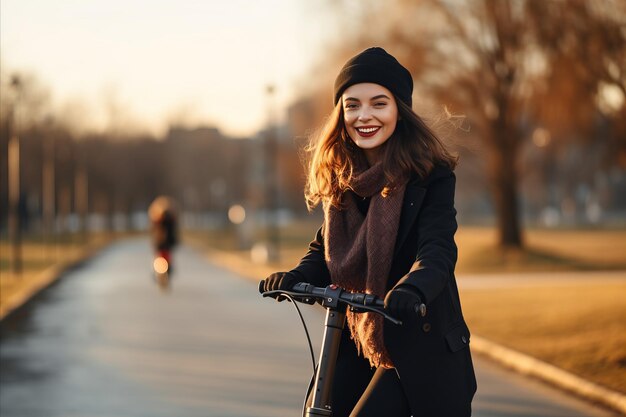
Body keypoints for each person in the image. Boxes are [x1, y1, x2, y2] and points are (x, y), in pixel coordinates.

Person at [262, 47, 477, 416]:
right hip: (357, 339)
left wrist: (412, 287)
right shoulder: (343, 178)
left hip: (415, 345)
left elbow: (437, 249)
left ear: (399, 110)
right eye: (352, 105)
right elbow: (325, 248)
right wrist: (295, 277)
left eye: (379, 103)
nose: (364, 116)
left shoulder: (430, 175)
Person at [148, 196, 178, 266]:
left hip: (165, 243)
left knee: (165, 256)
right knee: (158, 256)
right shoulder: (157, 220)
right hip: (160, 243)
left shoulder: (169, 220)